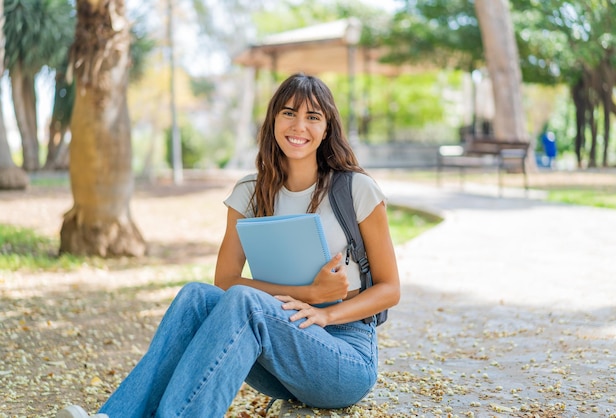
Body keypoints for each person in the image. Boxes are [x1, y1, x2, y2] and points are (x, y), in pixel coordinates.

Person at [56, 73, 400, 418]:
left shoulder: (355, 189)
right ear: (273, 121)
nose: (299, 126)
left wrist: (326, 312)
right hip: (277, 356)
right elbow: (225, 281)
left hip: (344, 354)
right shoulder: (251, 191)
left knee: (247, 302)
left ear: (327, 129)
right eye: (289, 113)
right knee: (196, 296)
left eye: (313, 117)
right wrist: (309, 293)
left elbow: (390, 289)